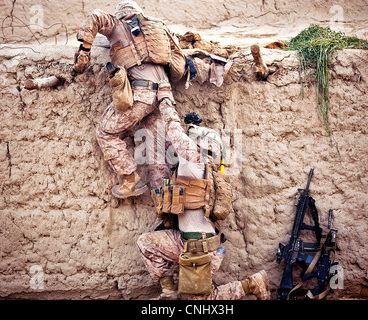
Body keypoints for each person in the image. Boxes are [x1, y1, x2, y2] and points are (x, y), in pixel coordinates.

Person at [137, 104, 271, 300]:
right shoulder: (206, 169)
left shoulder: (194, 161)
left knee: (200, 301)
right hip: (184, 240)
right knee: (146, 244)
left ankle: (251, 284)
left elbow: (174, 130)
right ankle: (168, 292)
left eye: (192, 140)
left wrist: (165, 99)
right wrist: (192, 126)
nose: (187, 143)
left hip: (200, 247)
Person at [73, 0, 192, 198]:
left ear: (120, 15)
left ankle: (131, 180)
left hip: (142, 95)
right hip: (164, 95)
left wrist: (84, 51)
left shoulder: (118, 25)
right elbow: (178, 64)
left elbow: (94, 16)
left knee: (106, 132)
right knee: (157, 150)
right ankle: (164, 196)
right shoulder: (158, 29)